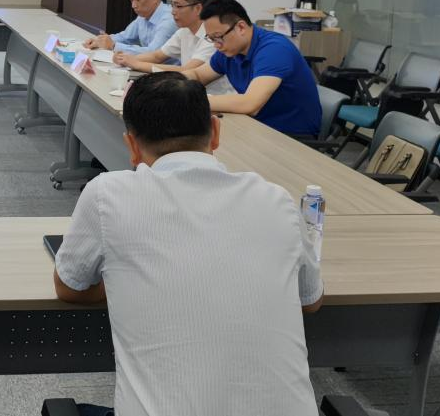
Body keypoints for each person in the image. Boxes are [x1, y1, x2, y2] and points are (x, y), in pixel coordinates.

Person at [53, 73, 322, 416]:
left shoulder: (107, 195)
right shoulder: (276, 200)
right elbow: (310, 300)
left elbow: (69, 286)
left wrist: (128, 278)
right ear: (216, 132)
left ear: (131, 146)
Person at [181, 0, 321, 137]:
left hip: (291, 136)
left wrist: (192, 101)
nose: (216, 45)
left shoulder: (274, 50)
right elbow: (199, 75)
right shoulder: (229, 50)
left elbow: (250, 104)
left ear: (241, 27)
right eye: (211, 39)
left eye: (218, 37)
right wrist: (172, 84)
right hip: (256, 125)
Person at [113, 0, 233, 95]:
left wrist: (138, 64)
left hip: (215, 99)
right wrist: (125, 59)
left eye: (178, 6)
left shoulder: (212, 36)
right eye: (172, 5)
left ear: (197, 8)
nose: (173, 11)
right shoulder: (184, 31)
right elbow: (157, 56)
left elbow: (188, 71)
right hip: (190, 94)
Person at [82, 0, 177, 54]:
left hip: (166, 70)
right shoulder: (143, 16)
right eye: (131, 0)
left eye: (138, 0)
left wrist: (113, 45)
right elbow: (125, 37)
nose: (133, 5)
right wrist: (100, 40)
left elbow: (153, 53)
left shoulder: (169, 20)